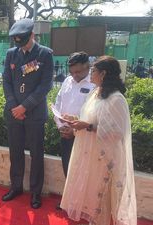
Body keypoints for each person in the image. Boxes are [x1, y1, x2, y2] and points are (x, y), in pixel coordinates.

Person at [61, 56, 137, 225]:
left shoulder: (117, 99)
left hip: (105, 156)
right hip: (89, 151)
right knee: (90, 192)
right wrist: (75, 119)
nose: (90, 74)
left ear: (103, 74)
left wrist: (87, 126)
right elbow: (89, 118)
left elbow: (117, 132)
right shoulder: (96, 93)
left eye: (93, 71)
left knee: (101, 196)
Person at [1, 18, 53, 209]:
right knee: (15, 153)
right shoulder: (11, 54)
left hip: (34, 114)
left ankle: (35, 192)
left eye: (24, 41)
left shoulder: (45, 54)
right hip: (14, 113)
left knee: (36, 154)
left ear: (32, 35)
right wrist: (15, 106)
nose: (21, 46)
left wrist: (25, 107)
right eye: (18, 43)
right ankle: (16, 187)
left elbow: (45, 85)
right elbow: (6, 81)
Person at [54, 52, 95, 178]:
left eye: (78, 72)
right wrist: (60, 125)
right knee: (67, 169)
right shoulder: (67, 81)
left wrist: (75, 130)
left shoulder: (94, 84)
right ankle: (69, 198)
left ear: (87, 66)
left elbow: (95, 113)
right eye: (72, 72)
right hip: (65, 133)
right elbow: (58, 102)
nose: (74, 75)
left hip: (84, 136)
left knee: (82, 173)